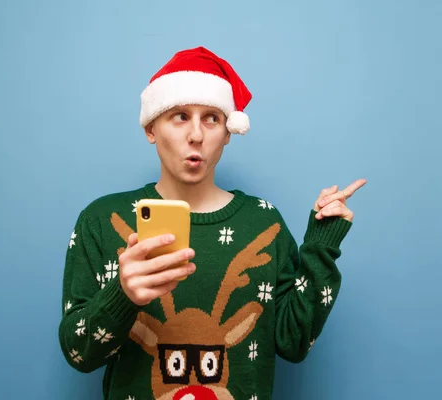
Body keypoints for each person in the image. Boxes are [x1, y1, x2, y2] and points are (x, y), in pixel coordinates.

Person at [58, 46, 366, 400]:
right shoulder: (101, 221)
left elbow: (293, 341)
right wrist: (123, 295)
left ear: (228, 132)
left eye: (211, 118)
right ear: (150, 128)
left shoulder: (263, 223)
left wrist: (323, 242)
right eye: (179, 116)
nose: (196, 135)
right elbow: (78, 353)